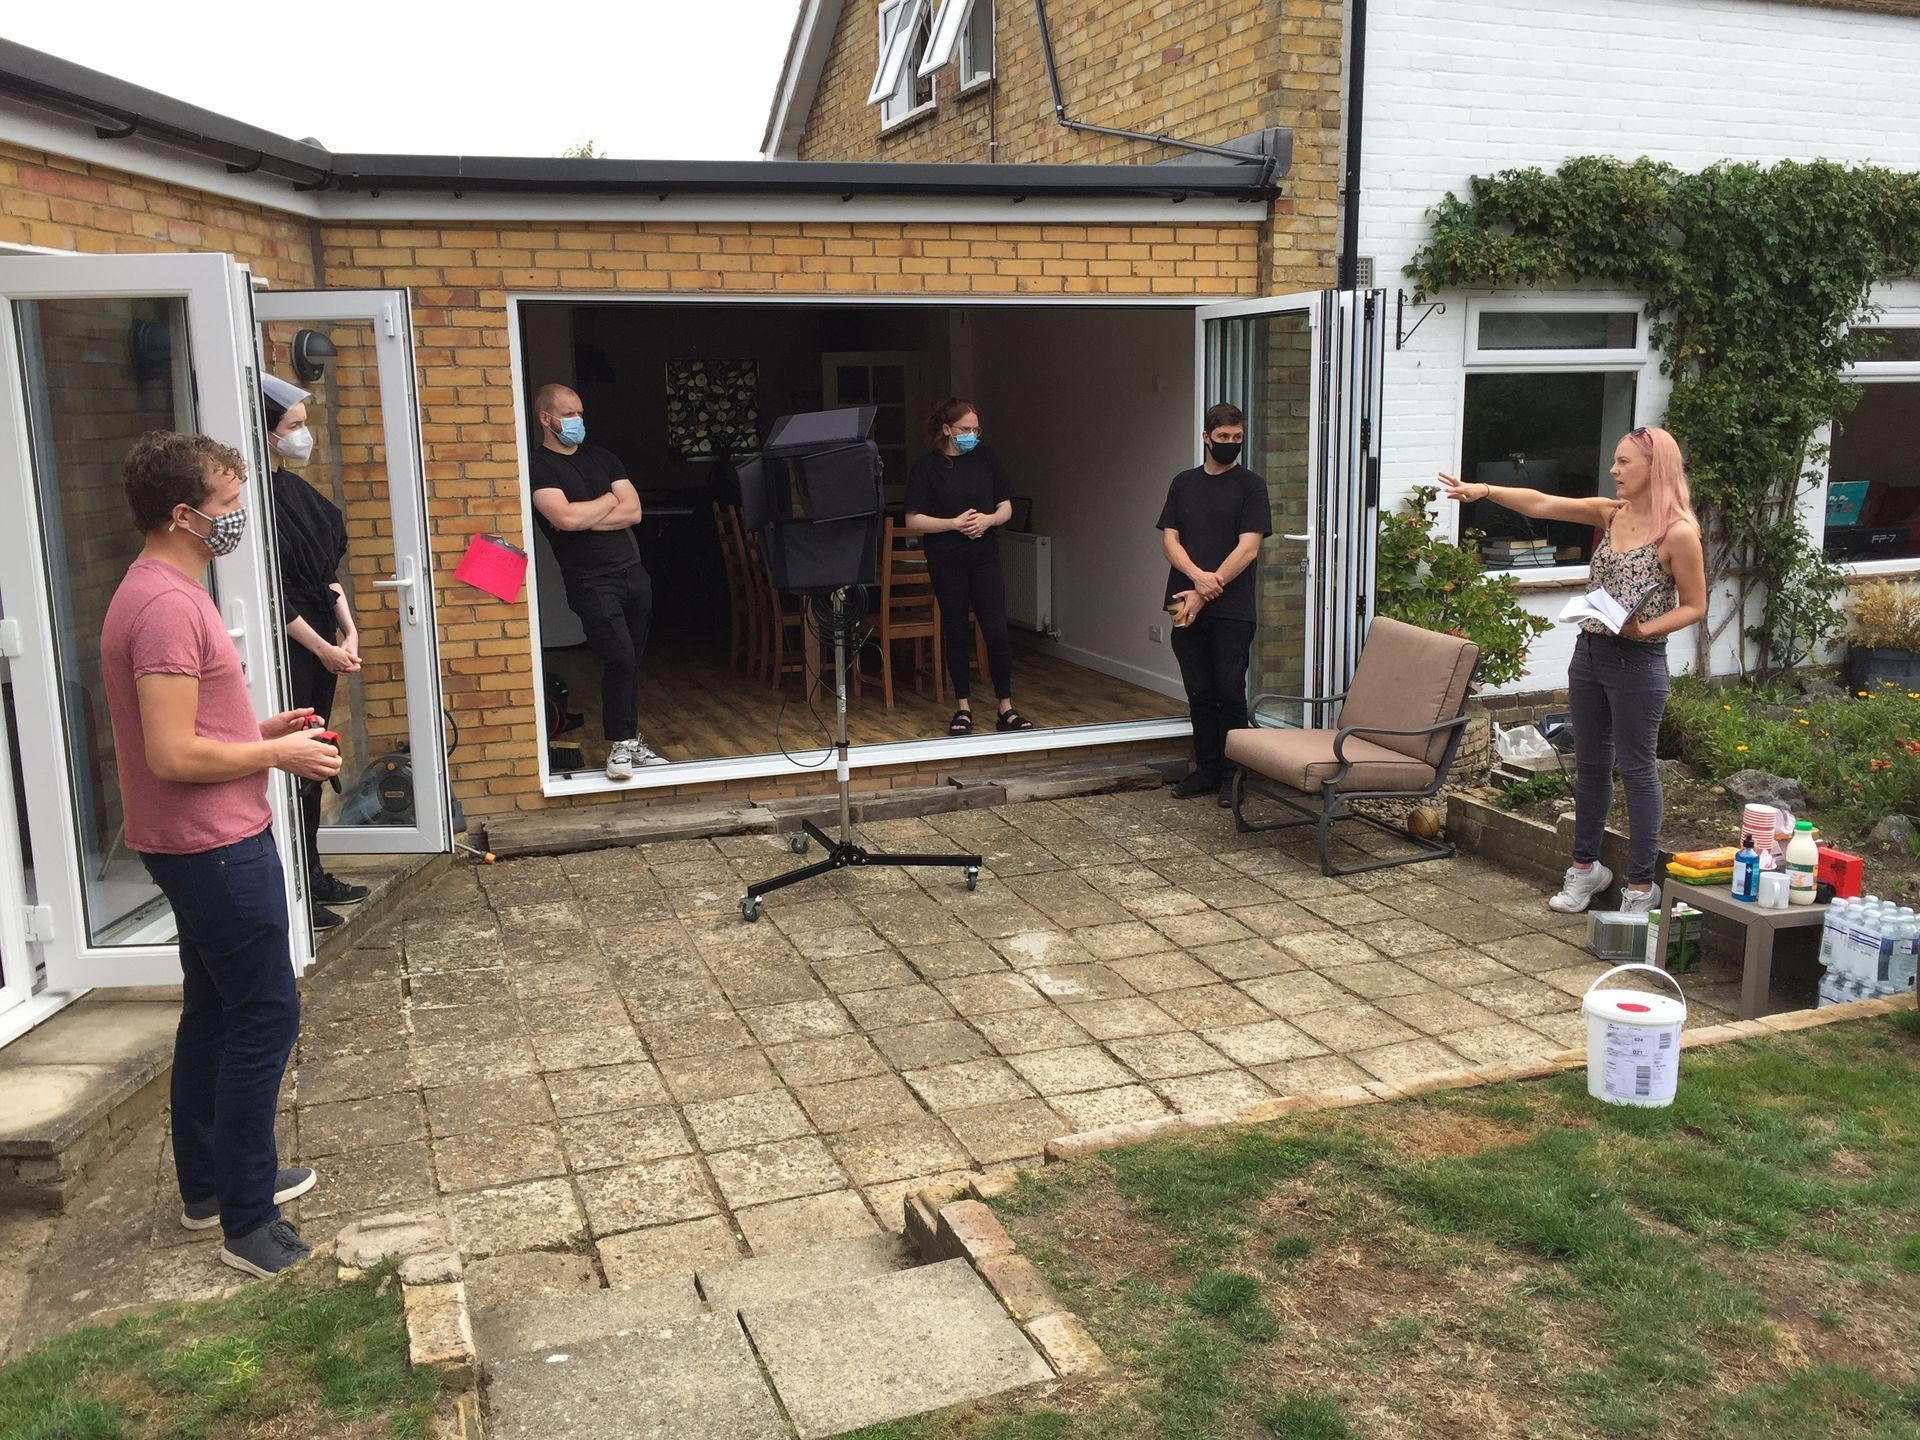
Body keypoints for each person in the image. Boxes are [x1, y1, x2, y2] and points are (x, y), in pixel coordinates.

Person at [100, 430, 342, 1278]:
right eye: (229, 506)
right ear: (182, 515)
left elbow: (190, 732)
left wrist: (256, 730)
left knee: (213, 1010)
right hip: (212, 847)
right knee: (264, 1015)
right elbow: (170, 754)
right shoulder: (166, 604)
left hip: (198, 841)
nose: (240, 517)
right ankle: (247, 1218)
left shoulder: (159, 589)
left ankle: (210, 1186)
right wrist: (278, 756)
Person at [1438, 425, 1706, 914]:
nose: (1614, 470)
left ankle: (1642, 888)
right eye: (1616, 461)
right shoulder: (1611, 513)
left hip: (1639, 662)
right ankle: (1585, 869)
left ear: (1654, 468)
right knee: (1591, 766)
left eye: (1624, 462)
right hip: (1589, 654)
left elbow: (1695, 605)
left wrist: (1646, 630)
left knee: (1639, 771)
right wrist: (1485, 491)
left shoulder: (1678, 533)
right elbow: (1542, 503)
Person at [262, 374, 366, 932]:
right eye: (294, 427)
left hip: (324, 639)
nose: (304, 438)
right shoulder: (257, 503)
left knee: (317, 751)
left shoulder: (297, 494)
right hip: (295, 649)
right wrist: (324, 647)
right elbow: (273, 592)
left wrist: (348, 634)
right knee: (297, 758)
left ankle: (313, 869)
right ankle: (295, 886)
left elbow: (326, 575)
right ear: (266, 432)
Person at [528, 382, 666, 779]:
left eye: (580, 414)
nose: (577, 421)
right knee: (619, 656)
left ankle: (630, 742)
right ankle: (620, 746)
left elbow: (635, 511)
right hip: (590, 581)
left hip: (633, 574)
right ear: (546, 419)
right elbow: (564, 519)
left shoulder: (604, 458)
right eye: (569, 414)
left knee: (631, 660)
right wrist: (609, 500)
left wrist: (587, 514)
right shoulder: (540, 467)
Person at [1157, 402, 1272, 805]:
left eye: (1237, 439)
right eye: (1223, 438)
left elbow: (1249, 547)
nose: (1230, 444)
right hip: (1180, 601)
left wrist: (1207, 587)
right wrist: (1197, 579)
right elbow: (1169, 541)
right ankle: (1204, 770)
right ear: (1206, 437)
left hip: (1233, 608)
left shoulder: (1251, 486)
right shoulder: (1183, 483)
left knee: (1229, 690)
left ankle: (1233, 777)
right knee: (1198, 690)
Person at [904, 399, 1035, 735]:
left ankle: (1005, 707)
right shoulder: (926, 468)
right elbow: (914, 519)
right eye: (965, 429)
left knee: (997, 631)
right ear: (947, 430)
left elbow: (1006, 507)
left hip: (984, 556)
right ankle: (962, 707)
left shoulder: (987, 459)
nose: (972, 435)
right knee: (956, 630)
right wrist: (954, 524)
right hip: (946, 558)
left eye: (976, 429)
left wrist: (989, 520)